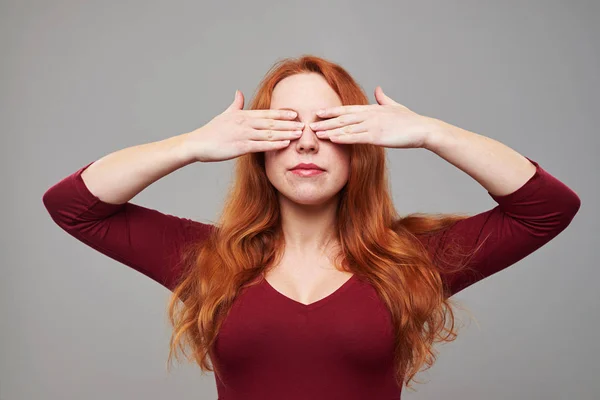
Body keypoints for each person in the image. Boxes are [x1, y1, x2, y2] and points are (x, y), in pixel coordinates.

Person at [42, 55, 581, 400]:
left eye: (328, 126)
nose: (304, 142)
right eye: (283, 125)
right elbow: (72, 205)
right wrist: (189, 146)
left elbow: (548, 208)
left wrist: (431, 133)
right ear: (256, 145)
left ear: (360, 145)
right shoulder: (208, 257)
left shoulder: (408, 261)